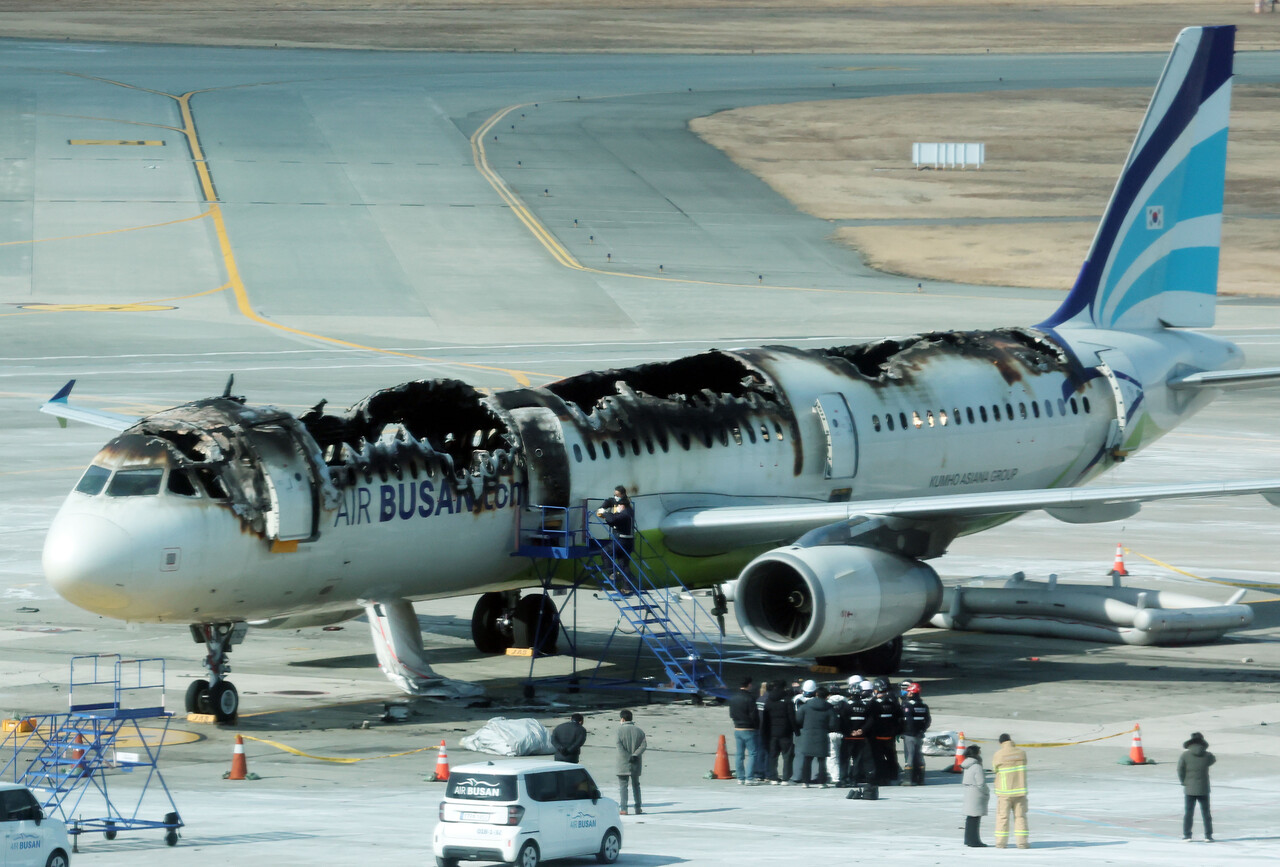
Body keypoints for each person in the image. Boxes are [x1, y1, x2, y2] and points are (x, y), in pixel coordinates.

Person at [792, 686, 836, 787]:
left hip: (808, 735)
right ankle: (822, 782)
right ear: (826, 696)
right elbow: (833, 724)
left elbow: (798, 720)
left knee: (807, 759)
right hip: (822, 735)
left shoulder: (806, 706)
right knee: (822, 760)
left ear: (816, 694)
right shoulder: (829, 708)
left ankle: (805, 782)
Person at [992, 733, 1030, 849]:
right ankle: (1022, 843)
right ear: (1010, 740)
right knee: (1020, 817)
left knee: (1003, 817)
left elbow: (995, 769)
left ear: (1000, 743)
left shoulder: (998, 754)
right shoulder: (1021, 753)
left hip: (1004, 793)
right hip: (1020, 791)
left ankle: (1001, 843)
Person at [1178, 731, 1216, 842]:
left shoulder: (1185, 755)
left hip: (1189, 788)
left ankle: (1187, 835)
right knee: (1206, 813)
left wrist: (1183, 781)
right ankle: (1208, 835)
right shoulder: (1207, 755)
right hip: (1204, 788)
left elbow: (1180, 770)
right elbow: (1212, 760)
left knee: (1188, 813)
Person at [840, 679, 876, 786]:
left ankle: (843, 779)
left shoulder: (845, 706)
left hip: (848, 738)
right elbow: (870, 720)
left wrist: (850, 731)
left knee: (844, 759)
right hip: (861, 738)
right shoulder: (865, 706)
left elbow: (842, 721)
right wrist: (862, 730)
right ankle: (854, 780)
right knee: (857, 760)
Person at [761, 680, 797, 784]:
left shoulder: (768, 701)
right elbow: (791, 717)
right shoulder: (787, 701)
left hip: (772, 733)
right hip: (786, 733)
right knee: (787, 756)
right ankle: (786, 778)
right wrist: (796, 731)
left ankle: (773, 777)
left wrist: (764, 732)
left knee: (773, 755)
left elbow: (765, 719)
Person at [596, 486, 635, 579]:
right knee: (623, 564)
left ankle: (612, 573)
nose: (617, 507)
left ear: (623, 505)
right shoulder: (625, 509)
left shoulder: (625, 513)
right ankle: (627, 588)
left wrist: (604, 513)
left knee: (605, 552)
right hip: (627, 540)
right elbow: (610, 501)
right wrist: (603, 507)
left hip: (622, 540)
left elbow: (613, 520)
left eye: (617, 495)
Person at [728, 676, 761, 785]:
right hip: (749, 728)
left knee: (739, 754)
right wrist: (757, 726)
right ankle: (749, 777)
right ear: (749, 685)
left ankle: (740, 777)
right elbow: (754, 715)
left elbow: (731, 714)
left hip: (737, 728)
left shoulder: (733, 697)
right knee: (752, 753)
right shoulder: (750, 698)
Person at [870, 678, 901, 785]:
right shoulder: (892, 703)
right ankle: (893, 774)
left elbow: (870, 720)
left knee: (878, 758)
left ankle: (881, 777)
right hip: (890, 735)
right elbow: (899, 717)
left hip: (877, 736)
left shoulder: (873, 704)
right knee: (891, 755)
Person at [615, 709, 647, 815]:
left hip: (623, 763)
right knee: (636, 785)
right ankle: (638, 808)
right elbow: (643, 745)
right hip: (635, 762)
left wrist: (627, 756)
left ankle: (624, 808)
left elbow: (619, 746)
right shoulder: (639, 731)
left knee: (623, 786)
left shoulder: (619, 731)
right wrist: (635, 755)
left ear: (622, 719)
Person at [900, 682, 931, 786]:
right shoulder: (923, 706)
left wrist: (904, 731)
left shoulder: (907, 705)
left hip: (910, 734)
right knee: (919, 755)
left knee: (910, 755)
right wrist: (922, 730)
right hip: (919, 734)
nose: (907, 694)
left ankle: (908, 780)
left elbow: (908, 720)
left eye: (909, 692)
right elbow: (927, 720)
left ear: (914, 693)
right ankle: (920, 779)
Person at [961, 744, 990, 848]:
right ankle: (974, 840)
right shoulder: (976, 766)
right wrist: (986, 791)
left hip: (969, 792)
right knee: (975, 818)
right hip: (976, 793)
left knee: (970, 818)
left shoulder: (966, 765)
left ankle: (969, 839)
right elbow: (981, 782)